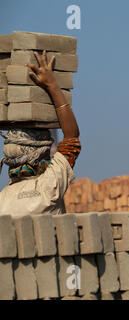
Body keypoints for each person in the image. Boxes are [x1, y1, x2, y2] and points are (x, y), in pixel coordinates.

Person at [0, 51, 81, 216]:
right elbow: (71, 138)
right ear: (40, 154)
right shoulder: (49, 186)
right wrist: (52, 85)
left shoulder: (3, 199)